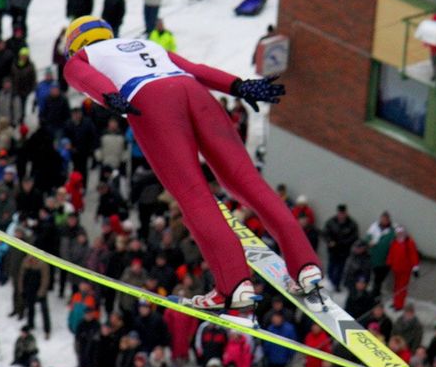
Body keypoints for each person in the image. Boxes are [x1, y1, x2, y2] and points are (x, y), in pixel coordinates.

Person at [62, 16, 321, 309]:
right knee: (246, 181)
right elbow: (195, 70)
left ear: (75, 44)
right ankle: (305, 266)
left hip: (150, 101)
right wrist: (238, 86)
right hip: (195, 93)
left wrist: (110, 96)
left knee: (193, 194)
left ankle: (234, 285)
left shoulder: (83, 56)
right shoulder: (145, 44)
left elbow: (82, 77)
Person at [323, 204, 359, 293]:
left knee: (340, 269)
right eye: (340, 213)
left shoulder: (351, 224)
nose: (341, 215)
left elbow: (354, 237)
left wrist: (339, 243)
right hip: (332, 251)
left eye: (343, 213)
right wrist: (329, 241)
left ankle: (336, 284)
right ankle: (329, 282)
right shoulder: (331, 222)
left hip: (343, 251)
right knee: (331, 266)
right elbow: (325, 233)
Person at [385, 225, 420, 310]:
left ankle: (399, 305)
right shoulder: (394, 242)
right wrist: (388, 263)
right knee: (396, 287)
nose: (399, 234)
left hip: (405, 270)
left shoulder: (409, 243)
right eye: (398, 233)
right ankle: (395, 302)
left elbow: (413, 256)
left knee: (402, 288)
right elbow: (391, 254)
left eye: (401, 233)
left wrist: (415, 268)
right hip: (396, 269)